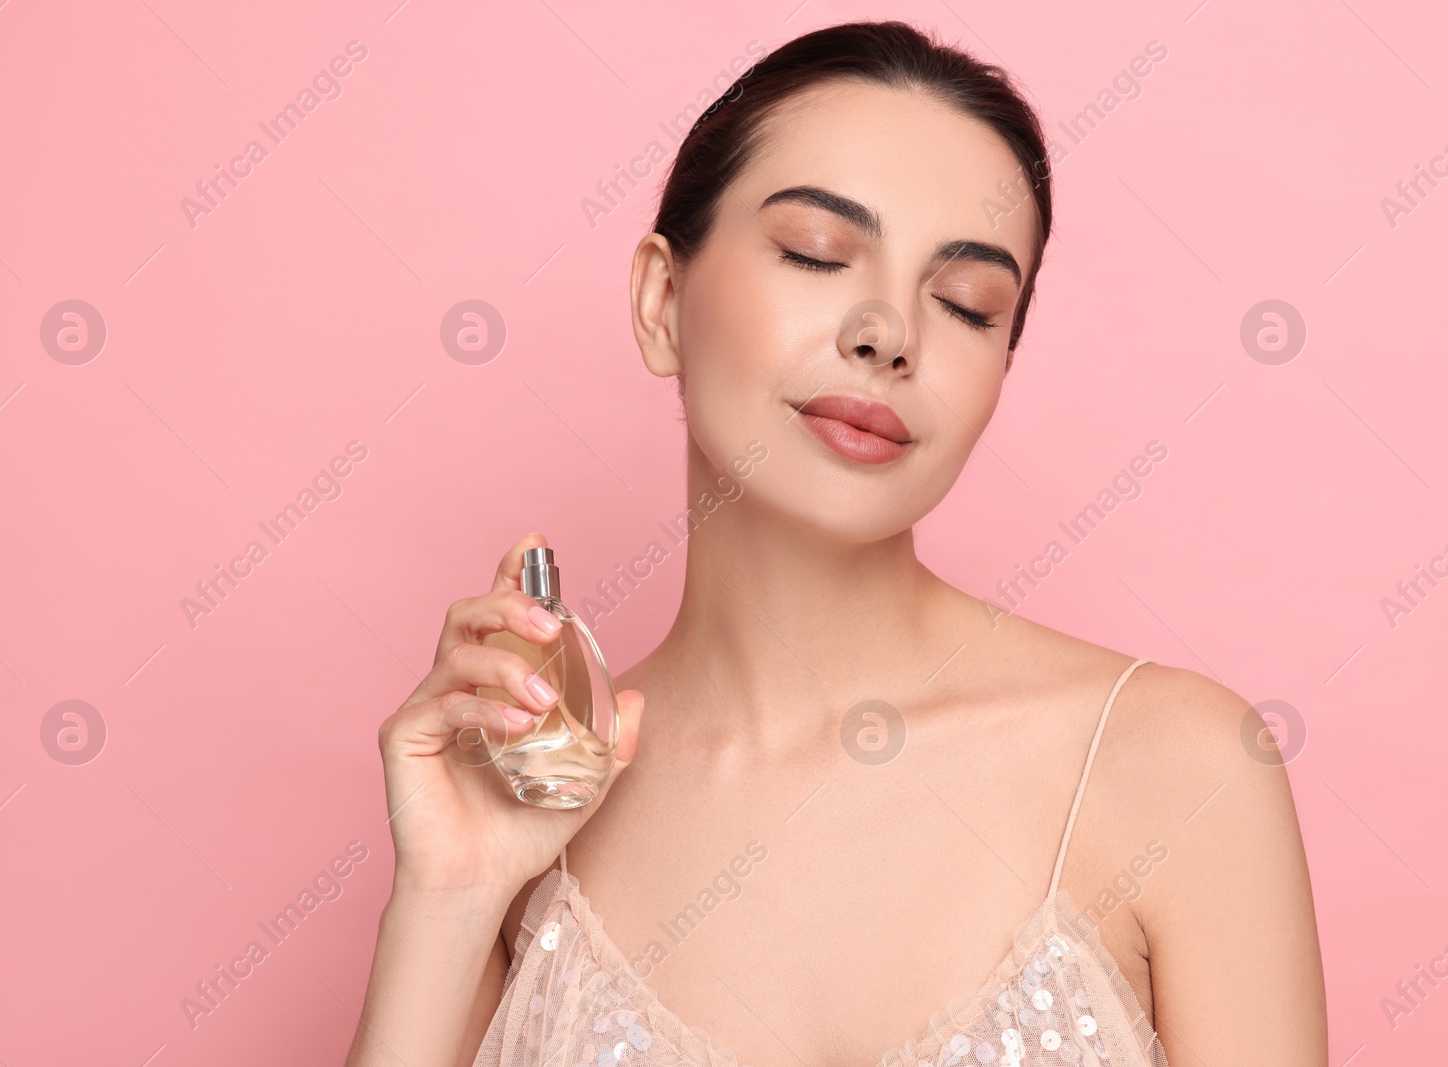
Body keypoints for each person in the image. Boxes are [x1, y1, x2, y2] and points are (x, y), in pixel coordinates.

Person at [345, 20, 1326, 1067]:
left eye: (966, 302)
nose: (888, 330)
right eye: (816, 253)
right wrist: (448, 897)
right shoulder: (534, 814)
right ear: (662, 301)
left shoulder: (1173, 767)